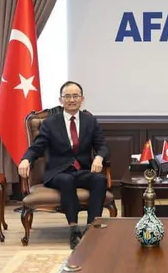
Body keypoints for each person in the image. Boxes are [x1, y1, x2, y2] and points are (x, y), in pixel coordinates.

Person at [18, 81, 110, 249]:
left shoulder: (90, 121)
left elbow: (102, 146)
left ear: (82, 99)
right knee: (67, 180)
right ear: (61, 100)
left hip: (82, 170)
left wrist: (98, 158)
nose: (71, 100)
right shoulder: (50, 123)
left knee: (100, 180)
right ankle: (74, 230)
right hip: (58, 172)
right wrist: (26, 159)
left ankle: (91, 228)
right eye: (67, 96)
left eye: (75, 96)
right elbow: (37, 146)